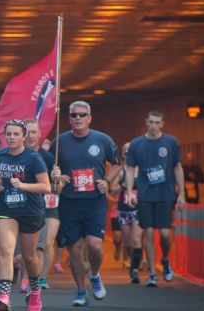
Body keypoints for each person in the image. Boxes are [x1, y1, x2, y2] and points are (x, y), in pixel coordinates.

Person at [50, 101, 117, 307]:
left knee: (94, 246)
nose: (78, 118)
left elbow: (117, 164)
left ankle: (95, 275)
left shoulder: (102, 139)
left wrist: (106, 181)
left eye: (82, 115)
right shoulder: (59, 142)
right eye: (74, 115)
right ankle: (80, 291)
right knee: (75, 249)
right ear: (69, 118)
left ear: (89, 117)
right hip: (69, 202)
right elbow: (50, 169)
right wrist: (58, 178)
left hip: (94, 201)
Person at [0, 119, 51, 311]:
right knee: (6, 250)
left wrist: (23, 185)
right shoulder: (0, 156)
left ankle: (34, 291)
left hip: (30, 210)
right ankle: (4, 296)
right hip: (6, 207)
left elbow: (46, 187)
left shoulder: (34, 158)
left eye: (16, 134)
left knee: (29, 256)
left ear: (24, 136)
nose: (12, 138)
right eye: (8, 134)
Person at [124, 110, 184, 288]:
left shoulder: (171, 142)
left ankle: (165, 259)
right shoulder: (136, 144)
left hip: (166, 194)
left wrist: (181, 193)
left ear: (162, 124)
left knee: (165, 234)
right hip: (145, 194)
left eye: (157, 122)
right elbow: (129, 169)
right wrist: (129, 192)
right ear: (146, 122)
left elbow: (177, 167)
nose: (153, 126)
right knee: (148, 232)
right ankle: (152, 274)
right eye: (150, 122)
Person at [24, 119, 59, 291]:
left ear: (40, 134)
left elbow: (56, 187)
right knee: (28, 248)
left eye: (33, 132)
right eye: (27, 132)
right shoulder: (17, 155)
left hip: (48, 205)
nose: (30, 136)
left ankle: (41, 277)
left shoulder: (48, 157)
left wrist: (57, 178)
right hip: (25, 207)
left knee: (46, 243)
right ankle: (27, 275)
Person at [108, 142, 143, 284]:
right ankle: (131, 261)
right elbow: (113, 190)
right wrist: (123, 185)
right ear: (122, 154)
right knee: (127, 243)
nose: (128, 153)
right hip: (123, 209)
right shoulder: (120, 170)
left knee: (136, 240)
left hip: (138, 208)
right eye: (126, 151)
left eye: (130, 150)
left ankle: (134, 269)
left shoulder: (140, 170)